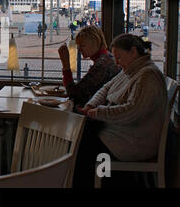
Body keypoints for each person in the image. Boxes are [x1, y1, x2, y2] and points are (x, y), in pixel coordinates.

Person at [73, 34, 167, 187]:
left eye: (119, 57)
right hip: (123, 133)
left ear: (133, 52)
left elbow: (132, 111)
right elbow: (106, 88)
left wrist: (98, 113)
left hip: (134, 142)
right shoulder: (130, 70)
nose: (116, 63)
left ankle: (98, 182)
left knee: (82, 146)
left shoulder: (148, 76)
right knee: (82, 140)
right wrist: (91, 105)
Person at [58, 25, 120, 107]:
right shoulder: (108, 58)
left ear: (96, 42)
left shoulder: (102, 65)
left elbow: (74, 94)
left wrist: (66, 66)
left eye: (83, 45)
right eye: (78, 46)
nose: (79, 49)